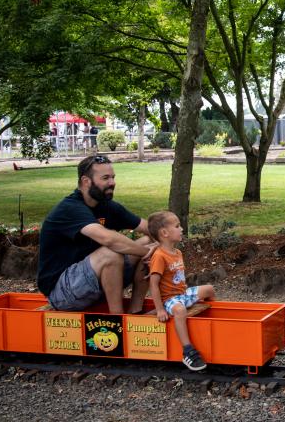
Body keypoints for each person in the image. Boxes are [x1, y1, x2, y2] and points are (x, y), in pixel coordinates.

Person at [37, 155, 156, 314]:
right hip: (62, 293)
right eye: (105, 178)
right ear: (86, 181)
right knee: (111, 254)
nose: (112, 183)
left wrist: (162, 243)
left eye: (113, 177)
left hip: (92, 284)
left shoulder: (106, 206)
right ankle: (117, 320)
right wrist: (149, 252)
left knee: (149, 240)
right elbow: (107, 238)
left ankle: (136, 310)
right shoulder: (70, 208)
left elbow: (149, 228)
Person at [147, 210, 215, 371]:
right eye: (177, 226)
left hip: (182, 294)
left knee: (209, 289)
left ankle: (213, 318)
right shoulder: (159, 256)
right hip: (170, 299)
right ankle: (187, 350)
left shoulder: (177, 252)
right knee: (179, 310)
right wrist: (159, 310)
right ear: (164, 233)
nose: (182, 229)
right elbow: (153, 284)